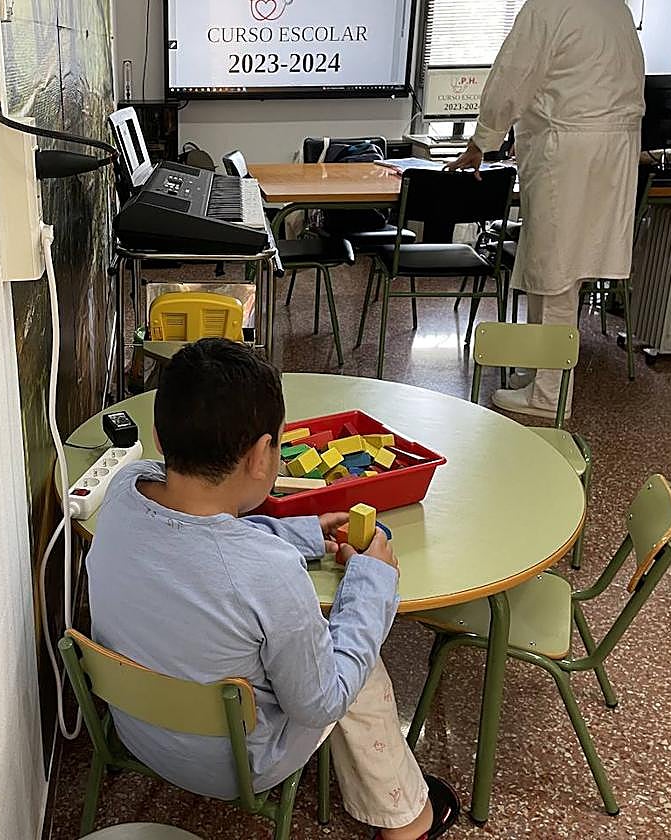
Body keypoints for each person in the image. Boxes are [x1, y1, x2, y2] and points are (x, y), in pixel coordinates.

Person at [85, 339, 459, 840]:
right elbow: (321, 702)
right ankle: (408, 821)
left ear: (157, 434)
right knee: (358, 664)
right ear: (263, 456)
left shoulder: (124, 494)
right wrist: (374, 581)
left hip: (137, 733)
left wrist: (304, 532)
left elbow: (201, 538)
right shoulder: (269, 574)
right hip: (236, 765)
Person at [447, 0, 645, 419]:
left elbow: (512, 76)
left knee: (556, 272)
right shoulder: (616, 8)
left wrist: (482, 139)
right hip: (613, 149)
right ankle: (541, 371)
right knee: (558, 270)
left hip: (570, 149)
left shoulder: (548, 7)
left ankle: (549, 394)